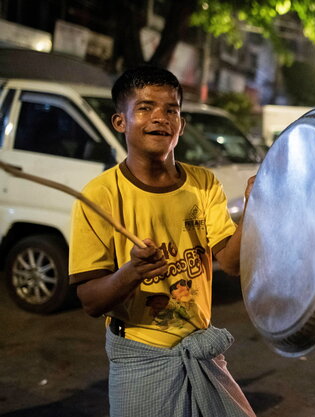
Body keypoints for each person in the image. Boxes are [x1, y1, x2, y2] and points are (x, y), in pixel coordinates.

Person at [69, 66, 255, 417]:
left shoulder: (203, 183)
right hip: (140, 356)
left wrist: (254, 207)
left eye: (171, 110)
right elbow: (90, 301)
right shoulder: (100, 196)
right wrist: (132, 272)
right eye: (145, 107)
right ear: (120, 122)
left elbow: (231, 263)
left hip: (201, 349)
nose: (160, 118)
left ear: (182, 125)